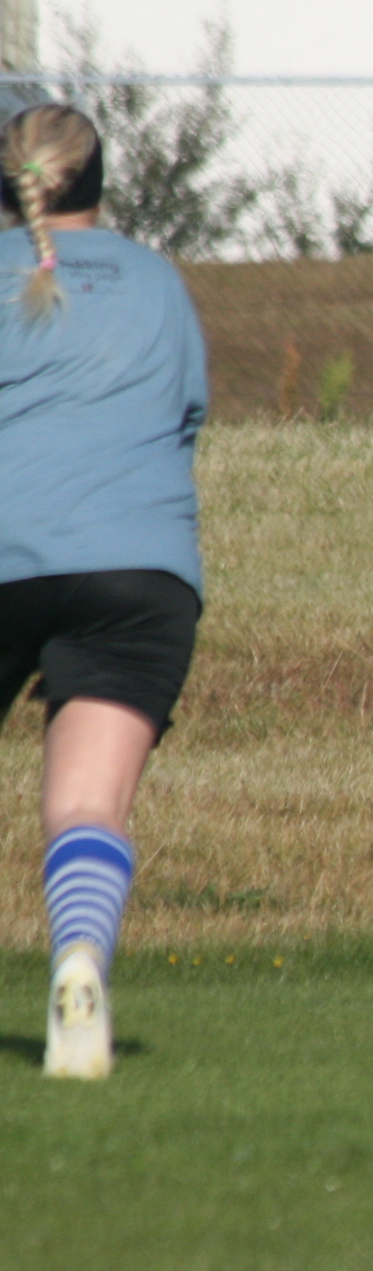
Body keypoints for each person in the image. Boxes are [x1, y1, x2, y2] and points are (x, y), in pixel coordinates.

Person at [0, 103, 209, 1079]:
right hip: (138, 565)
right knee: (87, 803)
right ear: (98, 177)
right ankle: (79, 959)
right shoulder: (157, 281)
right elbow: (186, 416)